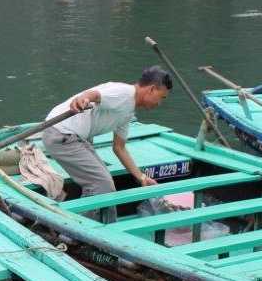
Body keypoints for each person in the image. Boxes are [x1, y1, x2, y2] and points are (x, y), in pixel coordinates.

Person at [41, 66, 173, 212]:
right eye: (161, 97)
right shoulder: (124, 94)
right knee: (102, 184)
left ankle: (100, 224)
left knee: (105, 183)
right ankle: (78, 228)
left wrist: (141, 177)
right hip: (61, 133)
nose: (159, 103)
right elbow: (94, 95)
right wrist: (82, 100)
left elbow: (119, 147)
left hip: (76, 138)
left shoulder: (129, 110)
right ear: (151, 89)